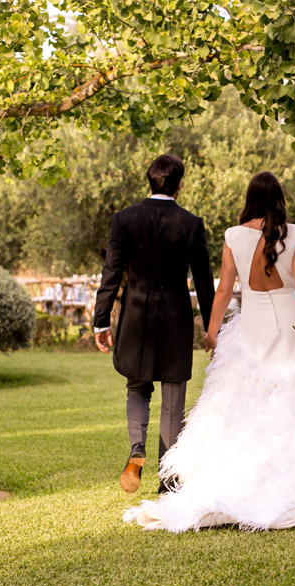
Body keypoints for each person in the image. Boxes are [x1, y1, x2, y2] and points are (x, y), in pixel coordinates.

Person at [123, 171, 295, 532]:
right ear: (279, 199)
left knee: (247, 398)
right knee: (290, 399)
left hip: (253, 324)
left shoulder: (233, 236)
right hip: (293, 323)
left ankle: (243, 471)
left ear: (250, 198)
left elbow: (224, 291)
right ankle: (286, 473)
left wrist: (212, 334)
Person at [93, 154, 215, 495]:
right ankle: (169, 480)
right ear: (179, 185)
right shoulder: (191, 223)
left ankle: (136, 449)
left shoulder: (125, 219)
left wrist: (101, 320)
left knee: (137, 386)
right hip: (176, 317)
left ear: (151, 181)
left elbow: (111, 274)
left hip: (134, 316)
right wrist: (212, 327)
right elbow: (204, 280)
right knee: (173, 398)